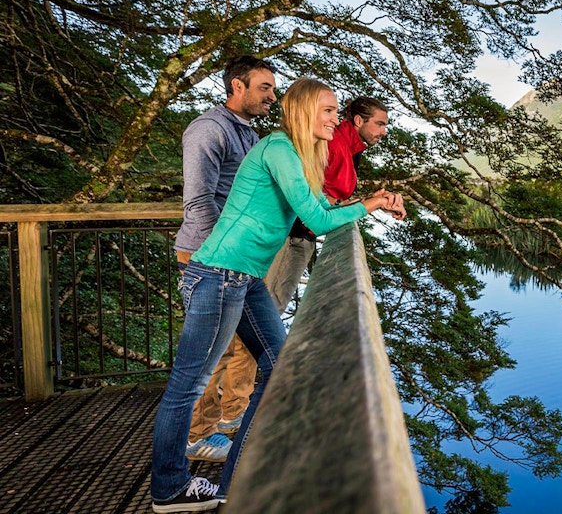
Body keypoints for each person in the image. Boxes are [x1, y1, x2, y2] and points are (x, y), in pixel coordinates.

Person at [150, 78, 406, 513]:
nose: (335, 118)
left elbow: (321, 211)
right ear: (305, 111)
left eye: (336, 110)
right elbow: (316, 219)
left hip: (242, 278)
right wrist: (373, 206)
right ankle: (169, 489)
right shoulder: (279, 149)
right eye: (328, 111)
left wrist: (371, 199)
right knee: (186, 386)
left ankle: (235, 481)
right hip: (219, 274)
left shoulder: (301, 154)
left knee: (277, 368)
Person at [173, 55, 277, 463]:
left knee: (246, 350)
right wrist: (227, 250)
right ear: (238, 86)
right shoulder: (208, 130)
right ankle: (195, 437)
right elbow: (199, 202)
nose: (272, 95)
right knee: (211, 355)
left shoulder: (247, 134)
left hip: (238, 261)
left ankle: (229, 419)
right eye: (264, 87)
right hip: (210, 258)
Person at [262, 96, 391, 311]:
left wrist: (375, 201)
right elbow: (310, 195)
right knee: (269, 308)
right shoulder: (334, 145)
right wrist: (371, 203)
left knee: (267, 308)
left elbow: (326, 198)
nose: (383, 132)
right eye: (379, 124)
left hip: (300, 233)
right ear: (359, 121)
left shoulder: (348, 148)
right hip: (292, 237)